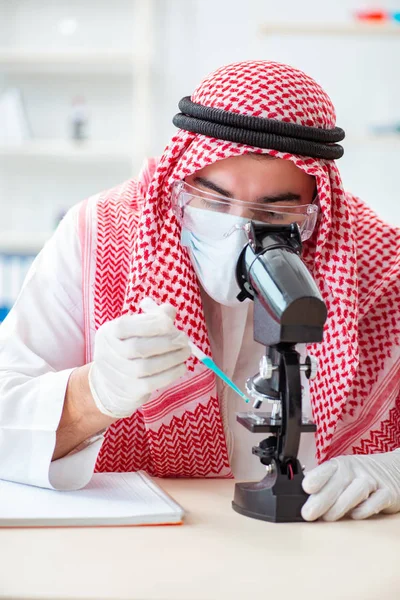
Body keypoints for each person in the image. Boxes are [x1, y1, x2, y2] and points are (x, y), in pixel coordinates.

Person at [0, 60, 399, 522]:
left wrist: (393, 472)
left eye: (274, 213)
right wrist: (93, 394)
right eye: (212, 200)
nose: (237, 232)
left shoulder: (377, 263)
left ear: (317, 206)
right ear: (180, 182)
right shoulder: (98, 235)